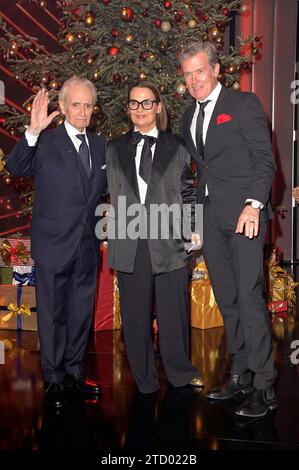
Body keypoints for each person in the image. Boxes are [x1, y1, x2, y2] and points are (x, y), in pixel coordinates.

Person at [180, 42, 277, 418]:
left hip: (244, 217)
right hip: (211, 219)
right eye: (187, 74)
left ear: (216, 70)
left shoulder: (243, 104)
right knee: (227, 298)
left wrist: (254, 205)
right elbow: (201, 171)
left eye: (200, 71)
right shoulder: (189, 117)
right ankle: (242, 373)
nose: (194, 80)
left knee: (249, 296)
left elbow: (264, 160)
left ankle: (265, 384)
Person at [7, 77, 106, 409]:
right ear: (62, 107)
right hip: (53, 244)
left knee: (80, 313)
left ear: (94, 110)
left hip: (87, 245)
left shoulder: (101, 145)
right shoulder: (45, 142)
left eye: (87, 105)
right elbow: (15, 167)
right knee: (52, 315)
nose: (81, 112)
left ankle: (74, 374)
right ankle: (53, 379)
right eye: (75, 105)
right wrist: (31, 133)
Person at [106, 81, 203, 394]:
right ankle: (144, 380)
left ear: (159, 107)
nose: (140, 109)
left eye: (147, 103)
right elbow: (111, 194)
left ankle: (180, 373)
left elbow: (189, 191)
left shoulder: (177, 146)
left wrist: (195, 226)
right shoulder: (114, 147)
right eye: (134, 103)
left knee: (173, 313)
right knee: (135, 318)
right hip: (129, 242)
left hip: (170, 240)